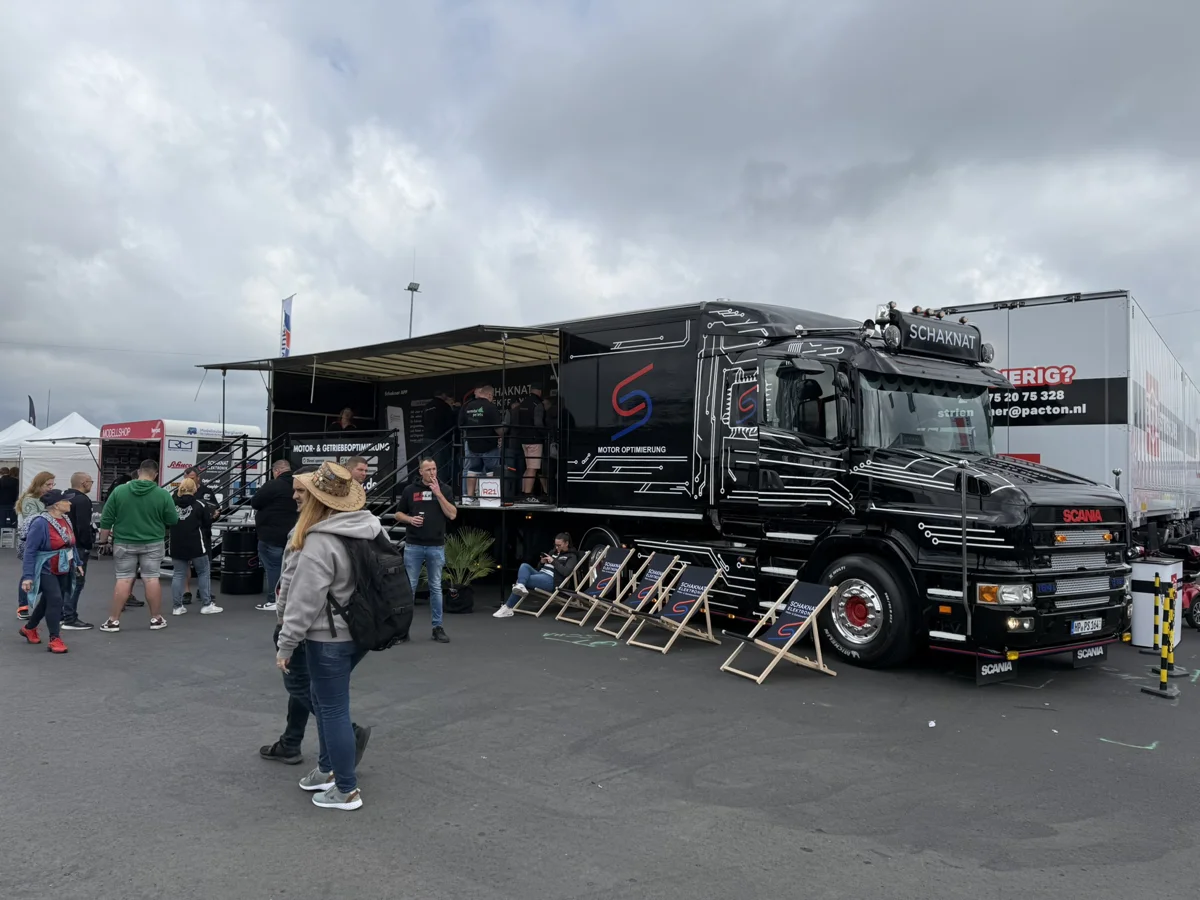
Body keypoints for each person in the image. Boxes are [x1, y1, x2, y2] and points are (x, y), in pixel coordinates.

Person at [276, 461, 379, 811]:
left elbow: (303, 601)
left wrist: (285, 644)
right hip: (361, 630)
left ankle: (346, 788)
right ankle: (326, 770)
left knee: (332, 709)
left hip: (328, 635)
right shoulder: (369, 528)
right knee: (323, 702)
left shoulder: (321, 541)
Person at [260, 468, 371, 767]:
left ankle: (345, 738)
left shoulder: (312, 537)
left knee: (305, 688)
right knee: (307, 684)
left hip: (318, 629)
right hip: (354, 626)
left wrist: (285, 633)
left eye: (301, 491)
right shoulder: (358, 528)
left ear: (317, 498)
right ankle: (291, 741)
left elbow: (297, 592)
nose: (294, 495)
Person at [97, 459, 179, 633]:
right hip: (153, 542)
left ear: (139, 471)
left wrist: (103, 541)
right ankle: (156, 618)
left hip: (124, 542)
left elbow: (106, 519)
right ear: (155, 475)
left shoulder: (119, 491)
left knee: (124, 578)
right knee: (151, 578)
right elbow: (173, 519)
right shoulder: (162, 494)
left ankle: (113, 621)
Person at [394, 457, 456, 643]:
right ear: (420, 472)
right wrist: (410, 520)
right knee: (410, 587)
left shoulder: (445, 489)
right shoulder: (410, 490)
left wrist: (438, 494)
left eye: (434, 469)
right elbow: (398, 513)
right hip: (413, 545)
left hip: (436, 545)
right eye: (428, 469)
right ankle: (403, 630)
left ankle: (437, 627)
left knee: (436, 587)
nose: (432, 473)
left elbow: (452, 514)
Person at [18, 489, 83, 654]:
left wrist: (77, 562)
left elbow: (70, 543)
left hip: (63, 566)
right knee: (55, 600)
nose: (70, 503)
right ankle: (55, 638)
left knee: (48, 600)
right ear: (56, 505)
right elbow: (30, 551)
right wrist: (28, 577)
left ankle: (29, 628)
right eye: (66, 501)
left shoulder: (65, 519)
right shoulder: (40, 523)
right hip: (46, 567)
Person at [493, 533, 579, 618]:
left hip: (551, 580)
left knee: (523, 580)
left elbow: (566, 572)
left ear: (566, 543)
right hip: (541, 574)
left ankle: (508, 607)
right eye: (555, 545)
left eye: (559, 545)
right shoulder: (553, 552)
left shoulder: (571, 556)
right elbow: (539, 568)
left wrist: (553, 561)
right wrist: (542, 562)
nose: (557, 547)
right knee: (524, 566)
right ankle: (520, 587)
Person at [252, 460, 298, 613]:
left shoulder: (273, 485)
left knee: (273, 568)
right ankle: (290, 599)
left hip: (271, 534)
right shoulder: (298, 484)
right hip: (294, 533)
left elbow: (255, 502)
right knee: (292, 568)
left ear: (277, 471)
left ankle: (274, 599)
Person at [170, 478, 221, 616]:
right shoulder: (200, 504)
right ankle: (206, 604)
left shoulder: (172, 503)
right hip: (196, 544)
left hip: (176, 543)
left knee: (178, 574)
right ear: (195, 489)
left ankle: (177, 607)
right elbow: (206, 523)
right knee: (203, 572)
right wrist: (214, 516)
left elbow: (167, 521)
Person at [15, 471, 55, 619]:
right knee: (29, 572)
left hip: (45, 541)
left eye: (52, 485)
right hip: (30, 540)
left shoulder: (43, 498)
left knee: (39, 572)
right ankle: (23, 605)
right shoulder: (29, 500)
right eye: (48, 484)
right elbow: (32, 519)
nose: (50, 487)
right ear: (39, 484)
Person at [61, 472, 96, 630]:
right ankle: (69, 617)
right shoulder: (82, 501)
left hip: (63, 545)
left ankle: (63, 614)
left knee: (65, 581)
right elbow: (83, 526)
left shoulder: (64, 497)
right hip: (78, 546)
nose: (91, 484)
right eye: (90, 481)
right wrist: (89, 544)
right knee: (77, 581)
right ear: (83, 482)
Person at [179, 466, 218, 605]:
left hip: (203, 534)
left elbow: (215, 510)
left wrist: (214, 516)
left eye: (192, 478)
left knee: (205, 565)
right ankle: (186, 592)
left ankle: (203, 591)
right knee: (184, 566)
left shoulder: (206, 492)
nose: (189, 481)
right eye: (186, 478)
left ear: (198, 478)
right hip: (184, 535)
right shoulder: (178, 494)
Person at [458, 384, 503, 502]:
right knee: (491, 471)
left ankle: (468, 497)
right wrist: (503, 435)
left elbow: (460, 424)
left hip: (472, 444)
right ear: (489, 395)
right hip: (489, 444)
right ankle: (490, 498)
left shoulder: (467, 406)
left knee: (472, 470)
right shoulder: (491, 407)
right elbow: (498, 427)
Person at [515, 388, 550, 500]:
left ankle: (524, 492)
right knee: (533, 468)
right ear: (539, 391)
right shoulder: (537, 404)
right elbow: (538, 423)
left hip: (523, 440)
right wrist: (546, 434)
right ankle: (527, 495)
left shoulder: (523, 403)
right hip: (535, 440)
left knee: (528, 467)